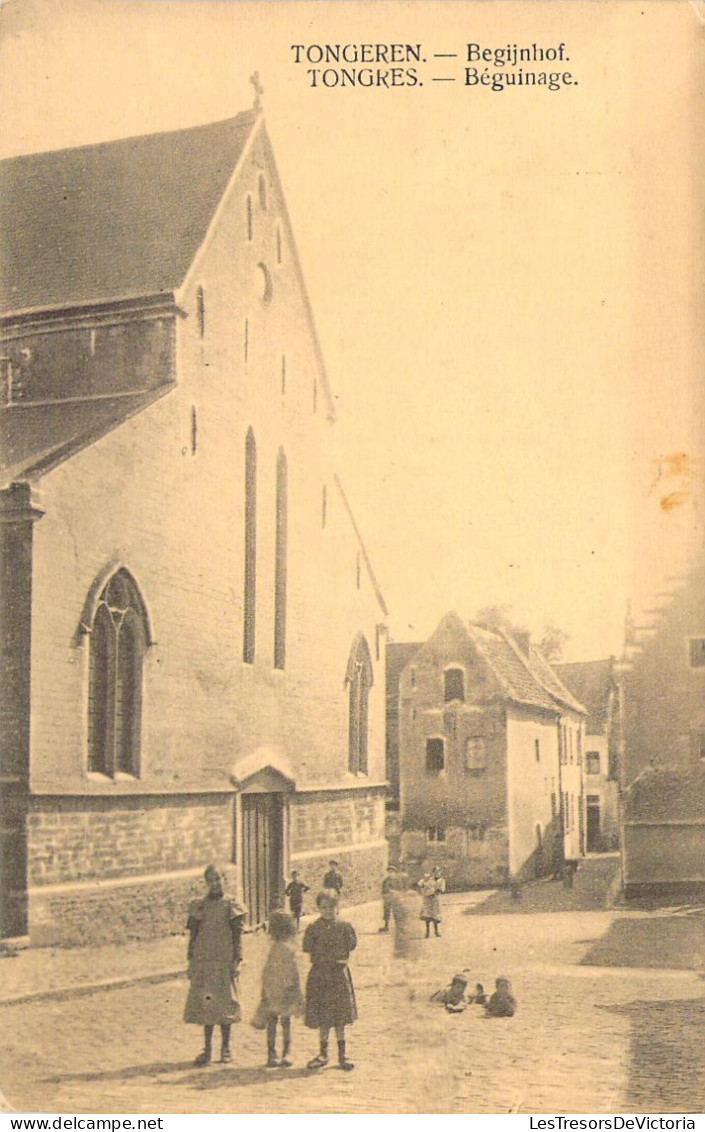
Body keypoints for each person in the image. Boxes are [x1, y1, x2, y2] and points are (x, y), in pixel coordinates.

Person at [184, 863, 246, 1066]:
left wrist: (237, 960)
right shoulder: (199, 906)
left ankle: (225, 1048)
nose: (215, 883)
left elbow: (237, 937)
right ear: (206, 883)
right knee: (207, 1004)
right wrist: (191, 960)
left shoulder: (231, 905)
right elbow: (193, 936)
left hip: (224, 959)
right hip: (205, 960)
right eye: (211, 880)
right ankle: (208, 1049)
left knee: (225, 1003)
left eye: (218, 879)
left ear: (224, 880)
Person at [303, 889, 357, 1071]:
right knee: (324, 1018)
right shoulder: (313, 929)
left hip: (338, 976)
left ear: (337, 907)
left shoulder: (344, 927)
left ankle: (343, 1056)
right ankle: (323, 1053)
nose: (328, 911)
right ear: (319, 908)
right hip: (321, 976)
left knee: (340, 1017)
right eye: (324, 907)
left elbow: (351, 945)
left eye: (331, 907)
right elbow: (309, 949)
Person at [251, 910, 304, 1068]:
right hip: (276, 989)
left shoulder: (287, 949)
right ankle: (277, 1053)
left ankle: (278, 1052)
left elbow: (292, 972)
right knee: (278, 1021)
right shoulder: (274, 948)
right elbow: (268, 971)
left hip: (282, 990)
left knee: (280, 1021)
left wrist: (292, 989)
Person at [418, 865, 446, 938]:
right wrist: (424, 885)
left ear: (440, 873)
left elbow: (441, 890)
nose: (437, 873)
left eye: (438, 872)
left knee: (435, 916)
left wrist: (433, 890)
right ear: (433, 873)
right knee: (427, 915)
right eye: (435, 872)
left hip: (436, 899)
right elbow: (422, 885)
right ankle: (427, 932)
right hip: (428, 900)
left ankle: (436, 931)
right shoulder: (429, 879)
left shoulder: (442, 880)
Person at [379, 865, 398, 932]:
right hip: (387, 898)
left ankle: (397, 927)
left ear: (394, 872)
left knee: (396, 912)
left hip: (395, 897)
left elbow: (400, 888)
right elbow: (383, 889)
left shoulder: (397, 880)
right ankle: (386, 926)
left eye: (392, 871)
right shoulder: (385, 880)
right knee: (386, 912)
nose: (390, 873)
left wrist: (395, 891)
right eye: (389, 871)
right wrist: (384, 894)